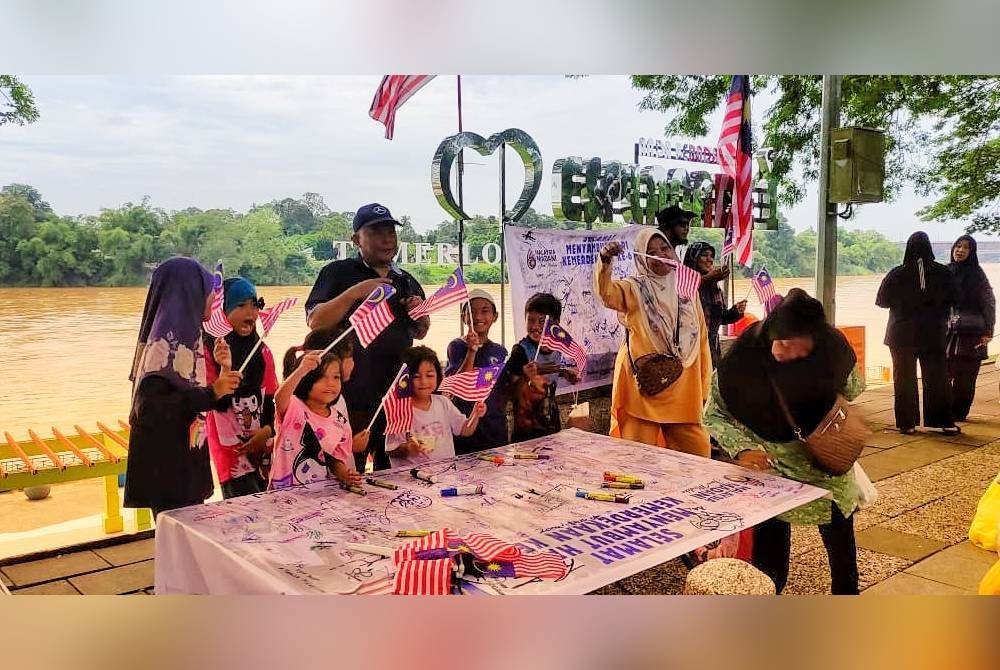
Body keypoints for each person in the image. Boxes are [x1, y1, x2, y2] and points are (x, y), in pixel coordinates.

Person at [703, 289, 865, 594]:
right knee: (771, 545)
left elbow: (854, 388)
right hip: (771, 464)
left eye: (801, 350)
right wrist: (744, 448)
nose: (789, 354)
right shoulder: (742, 360)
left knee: (840, 538)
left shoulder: (831, 352)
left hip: (823, 459)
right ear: (771, 334)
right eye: (784, 344)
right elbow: (712, 415)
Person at [304, 203, 428, 471]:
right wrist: (356, 292)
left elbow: (421, 331)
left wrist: (420, 314)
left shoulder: (406, 280)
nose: (387, 239)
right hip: (348, 396)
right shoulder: (338, 272)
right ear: (356, 239)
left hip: (396, 397)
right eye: (376, 232)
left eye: (391, 232)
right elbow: (315, 322)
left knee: (396, 473)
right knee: (346, 472)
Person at [125, 257, 242, 518]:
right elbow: (152, 410)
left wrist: (223, 372)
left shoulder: (190, 342)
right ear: (190, 292)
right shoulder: (164, 349)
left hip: (186, 468)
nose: (213, 298)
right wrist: (212, 392)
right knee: (177, 546)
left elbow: (209, 403)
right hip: (169, 475)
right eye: (207, 290)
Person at [595, 229, 713, 456]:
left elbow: (701, 339)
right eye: (651, 252)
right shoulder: (634, 288)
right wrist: (605, 261)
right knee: (638, 460)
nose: (660, 255)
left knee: (698, 456)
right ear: (641, 257)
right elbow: (607, 294)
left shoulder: (686, 287)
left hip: (684, 387)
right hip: (644, 388)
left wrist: (704, 383)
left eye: (665, 248)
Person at [876, 231, 959, 435]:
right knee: (937, 377)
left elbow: (882, 301)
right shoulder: (943, 273)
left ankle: (907, 423)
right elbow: (955, 299)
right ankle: (943, 422)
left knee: (904, 378)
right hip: (933, 333)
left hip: (901, 334)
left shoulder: (896, 273)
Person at [204, 277, 278, 498]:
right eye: (241, 305)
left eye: (254, 305)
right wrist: (225, 369)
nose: (251, 312)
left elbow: (271, 397)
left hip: (262, 443)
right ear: (222, 312)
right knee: (243, 511)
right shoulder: (209, 351)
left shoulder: (262, 352)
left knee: (269, 505)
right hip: (231, 452)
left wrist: (266, 431)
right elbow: (212, 401)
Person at [270, 344, 362, 490]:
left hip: (320, 497)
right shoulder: (294, 407)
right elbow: (279, 398)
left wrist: (345, 474)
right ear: (307, 379)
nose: (331, 383)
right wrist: (301, 371)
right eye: (321, 377)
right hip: (284, 494)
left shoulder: (340, 422)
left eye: (336, 377)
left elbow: (334, 461)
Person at [385, 346, 486, 468]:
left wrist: (475, 415)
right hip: (413, 480)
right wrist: (408, 449)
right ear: (404, 379)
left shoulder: (443, 402)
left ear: (438, 375)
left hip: (446, 475)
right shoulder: (400, 408)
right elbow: (390, 450)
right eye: (416, 376)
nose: (424, 382)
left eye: (430, 375)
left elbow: (465, 430)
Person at [503, 293, 580, 443]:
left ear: (555, 324)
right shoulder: (520, 351)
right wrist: (524, 377)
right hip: (526, 430)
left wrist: (565, 373)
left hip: (552, 425)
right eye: (530, 320)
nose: (535, 326)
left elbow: (550, 370)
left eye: (542, 321)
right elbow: (509, 392)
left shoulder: (557, 349)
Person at [444, 289, 509, 454]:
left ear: (495, 316)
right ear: (463, 317)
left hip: (494, 427)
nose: (478, 317)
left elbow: (503, 390)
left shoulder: (500, 351)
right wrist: (471, 351)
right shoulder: (457, 346)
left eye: (485, 311)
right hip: (467, 425)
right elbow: (457, 386)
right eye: (472, 312)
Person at [947, 235, 995, 421]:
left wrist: (988, 331)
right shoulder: (945, 271)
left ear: (972, 252)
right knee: (945, 372)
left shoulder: (978, 275)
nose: (960, 250)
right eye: (958, 246)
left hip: (972, 331)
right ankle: (946, 411)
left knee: (966, 376)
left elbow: (988, 303)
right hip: (948, 330)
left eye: (966, 248)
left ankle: (959, 413)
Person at [683, 241, 747, 367]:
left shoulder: (715, 289)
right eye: (704, 255)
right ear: (694, 259)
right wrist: (706, 280)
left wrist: (735, 312)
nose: (710, 259)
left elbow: (721, 318)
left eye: (712, 256)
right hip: (689, 349)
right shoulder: (684, 284)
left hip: (711, 349)